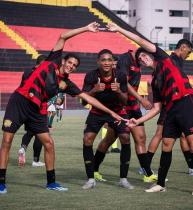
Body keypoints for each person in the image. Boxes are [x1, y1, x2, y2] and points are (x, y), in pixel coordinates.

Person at [0, 22, 122, 194]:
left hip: (37, 110)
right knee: (6, 141)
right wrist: (86, 29)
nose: (71, 66)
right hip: (19, 102)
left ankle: (51, 183)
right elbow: (63, 36)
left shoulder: (68, 84)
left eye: (74, 66)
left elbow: (86, 97)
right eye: (69, 62)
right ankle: (1, 183)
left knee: (49, 144)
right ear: (63, 61)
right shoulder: (52, 61)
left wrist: (110, 112)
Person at [109, 23, 193, 195]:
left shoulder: (165, 58)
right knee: (166, 144)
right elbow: (156, 108)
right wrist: (137, 121)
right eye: (141, 59)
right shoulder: (154, 82)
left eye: (146, 56)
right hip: (171, 109)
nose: (144, 59)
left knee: (192, 142)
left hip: (186, 102)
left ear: (151, 55)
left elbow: (139, 39)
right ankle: (160, 183)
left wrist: (119, 29)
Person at [93, 32, 156, 183]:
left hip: (133, 106)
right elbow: (124, 83)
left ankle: (148, 174)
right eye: (143, 56)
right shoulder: (124, 60)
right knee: (110, 139)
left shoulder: (137, 63)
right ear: (139, 50)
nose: (143, 59)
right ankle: (93, 170)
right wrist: (142, 98)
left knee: (140, 138)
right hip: (122, 106)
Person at [141, 40, 193, 176]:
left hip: (172, 104)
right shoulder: (173, 59)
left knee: (183, 135)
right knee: (161, 134)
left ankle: (191, 166)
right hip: (171, 104)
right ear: (183, 48)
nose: (188, 55)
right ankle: (145, 166)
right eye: (188, 52)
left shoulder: (175, 61)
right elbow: (178, 81)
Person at [82, 49, 133, 190]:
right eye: (103, 60)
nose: (106, 63)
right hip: (97, 112)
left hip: (117, 112)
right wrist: (94, 90)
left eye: (109, 60)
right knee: (87, 139)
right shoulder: (91, 76)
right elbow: (83, 102)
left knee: (125, 138)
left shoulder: (121, 76)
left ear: (113, 62)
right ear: (98, 61)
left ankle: (123, 179)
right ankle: (91, 179)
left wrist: (119, 92)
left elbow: (125, 101)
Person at [18, 55, 47, 168]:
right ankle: (36, 160)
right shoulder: (40, 73)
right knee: (40, 134)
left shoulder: (26, 72)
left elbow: (22, 87)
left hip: (25, 106)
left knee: (30, 131)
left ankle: (23, 148)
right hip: (37, 106)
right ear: (41, 63)